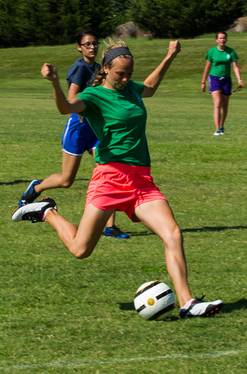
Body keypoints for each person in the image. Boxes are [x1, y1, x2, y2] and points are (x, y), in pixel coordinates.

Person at [14, 40, 223, 318]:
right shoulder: (94, 96)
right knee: (80, 250)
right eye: (119, 74)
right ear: (106, 69)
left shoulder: (133, 89)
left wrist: (170, 56)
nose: (125, 79)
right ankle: (47, 212)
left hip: (141, 181)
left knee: (172, 233)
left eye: (129, 73)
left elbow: (149, 86)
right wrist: (53, 82)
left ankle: (187, 302)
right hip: (110, 178)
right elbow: (66, 107)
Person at [20, 29, 128, 239]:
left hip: (97, 128)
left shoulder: (100, 67)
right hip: (78, 128)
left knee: (110, 168)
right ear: (79, 47)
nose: (92, 47)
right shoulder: (79, 68)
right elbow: (71, 99)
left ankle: (110, 226)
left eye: (95, 43)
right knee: (66, 180)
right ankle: (36, 187)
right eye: (87, 44)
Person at [200, 31, 243, 135]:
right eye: (220, 38)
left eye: (224, 38)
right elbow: (207, 67)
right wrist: (203, 82)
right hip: (214, 78)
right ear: (216, 40)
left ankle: (221, 125)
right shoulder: (212, 52)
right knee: (217, 103)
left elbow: (235, 67)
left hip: (226, 79)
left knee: (225, 105)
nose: (222, 40)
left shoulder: (231, 52)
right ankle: (217, 129)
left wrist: (239, 79)